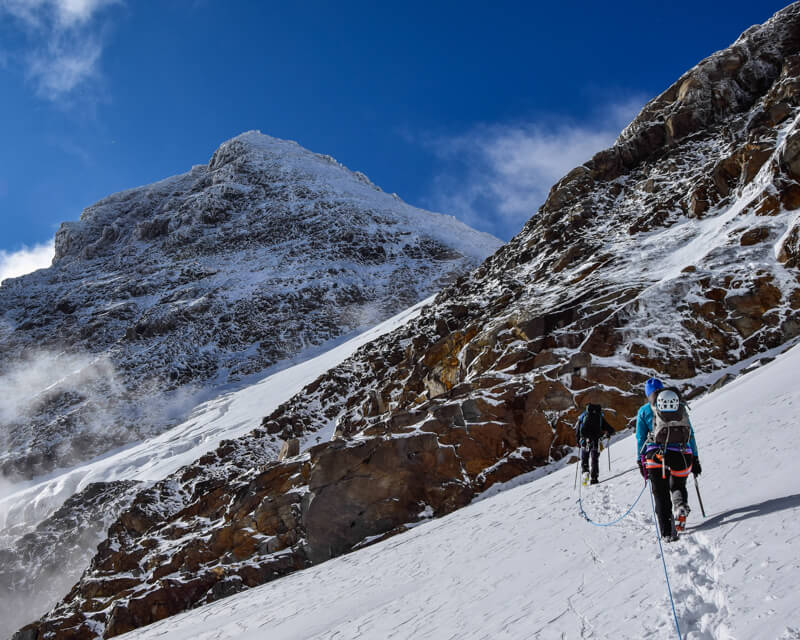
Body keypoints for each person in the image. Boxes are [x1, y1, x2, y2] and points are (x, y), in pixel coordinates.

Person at [635, 377, 702, 541]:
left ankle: (666, 532)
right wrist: (695, 458)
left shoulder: (644, 411)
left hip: (655, 457)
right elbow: (690, 434)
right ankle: (680, 507)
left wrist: (640, 461)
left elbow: (640, 438)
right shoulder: (678, 406)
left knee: (660, 493)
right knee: (677, 484)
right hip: (682, 454)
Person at [575, 403, 615, 485]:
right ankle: (594, 478)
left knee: (585, 458)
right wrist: (608, 433)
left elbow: (578, 429)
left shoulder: (583, 416)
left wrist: (578, 441)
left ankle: (585, 472)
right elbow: (610, 429)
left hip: (584, 441)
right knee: (594, 460)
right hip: (595, 441)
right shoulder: (600, 417)